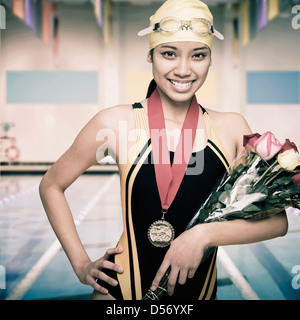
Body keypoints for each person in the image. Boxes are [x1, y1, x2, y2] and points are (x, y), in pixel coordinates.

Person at [39, 0, 288, 300]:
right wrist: (80, 264)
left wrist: (203, 235)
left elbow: (277, 221)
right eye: (169, 54)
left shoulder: (231, 128)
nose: (183, 70)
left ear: (210, 60)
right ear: (151, 55)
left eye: (198, 55)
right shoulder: (116, 122)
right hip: (120, 296)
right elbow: (51, 185)